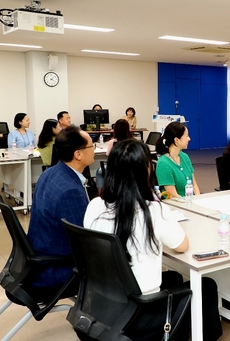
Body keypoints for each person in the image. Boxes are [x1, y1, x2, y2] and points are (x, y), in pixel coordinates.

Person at [84, 139, 222, 340]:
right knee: (207, 285)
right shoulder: (153, 210)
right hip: (141, 312)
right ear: (146, 170)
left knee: (174, 277)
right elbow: (183, 245)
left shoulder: (95, 206)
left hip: (104, 304)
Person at [27, 126, 95, 291]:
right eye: (91, 146)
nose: (94, 149)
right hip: (56, 269)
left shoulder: (49, 173)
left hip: (40, 258)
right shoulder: (69, 191)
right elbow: (84, 243)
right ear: (78, 154)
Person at [155, 122, 200, 198]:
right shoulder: (163, 163)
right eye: (186, 136)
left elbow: (194, 184)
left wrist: (199, 199)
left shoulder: (184, 157)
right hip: (177, 205)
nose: (189, 139)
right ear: (176, 140)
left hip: (190, 202)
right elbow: (173, 195)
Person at [96, 119, 132, 189]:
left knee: (99, 172)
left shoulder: (112, 142)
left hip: (115, 169)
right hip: (130, 169)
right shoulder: (133, 142)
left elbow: (109, 157)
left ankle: (101, 194)